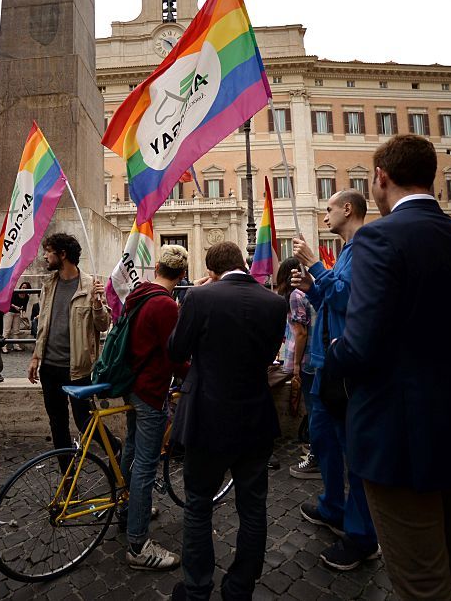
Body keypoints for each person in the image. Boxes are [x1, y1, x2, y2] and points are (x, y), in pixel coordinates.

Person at [326, 134, 451, 600]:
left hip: (398, 433)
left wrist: (335, 350)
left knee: (423, 582)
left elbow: (361, 346)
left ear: (381, 178)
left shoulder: (378, 236)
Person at [168, 241, 286, 600]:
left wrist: (194, 299)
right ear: (241, 264)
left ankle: (196, 588)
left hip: (207, 417)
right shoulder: (275, 302)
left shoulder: (201, 298)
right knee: (252, 507)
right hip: (255, 417)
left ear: (213, 271)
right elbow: (268, 356)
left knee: (199, 504)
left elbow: (176, 350)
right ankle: (239, 588)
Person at [290, 190, 380, 571]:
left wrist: (315, 266)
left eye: (329, 209)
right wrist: (314, 287)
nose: (325, 215)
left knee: (352, 450)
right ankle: (332, 507)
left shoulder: (364, 249)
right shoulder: (345, 251)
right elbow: (331, 300)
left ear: (348, 209)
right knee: (323, 439)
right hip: (324, 364)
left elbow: (349, 299)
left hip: (345, 367)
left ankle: (362, 538)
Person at [119, 245, 190, 571]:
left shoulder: (140, 295)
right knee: (145, 466)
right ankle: (137, 545)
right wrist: (195, 373)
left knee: (131, 452)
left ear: (157, 266)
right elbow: (175, 357)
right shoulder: (165, 306)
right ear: (182, 274)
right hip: (150, 391)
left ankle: (126, 510)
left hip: (131, 385)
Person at [26, 233, 116, 456]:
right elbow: (44, 324)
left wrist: (97, 304)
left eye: (48, 251)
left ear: (63, 254)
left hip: (78, 368)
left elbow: (103, 325)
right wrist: (36, 356)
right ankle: (67, 475)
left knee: (84, 419)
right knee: (57, 423)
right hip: (49, 367)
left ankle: (114, 448)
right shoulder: (49, 284)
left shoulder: (90, 285)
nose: (45, 256)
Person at [273, 258, 315, 474]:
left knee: (313, 407)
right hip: (310, 357)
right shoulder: (303, 293)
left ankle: (316, 455)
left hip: (306, 360)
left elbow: (300, 332)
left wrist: (297, 365)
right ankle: (316, 448)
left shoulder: (294, 296)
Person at [5, 281, 31, 352]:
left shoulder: (26, 297)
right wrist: (15, 306)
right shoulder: (15, 292)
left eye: (26, 288)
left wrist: (22, 312)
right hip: (9, 312)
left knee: (16, 331)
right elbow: (9, 302)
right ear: (20, 287)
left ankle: (16, 345)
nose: (24, 289)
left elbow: (24, 306)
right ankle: (4, 346)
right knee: (7, 330)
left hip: (18, 313)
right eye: (23, 287)